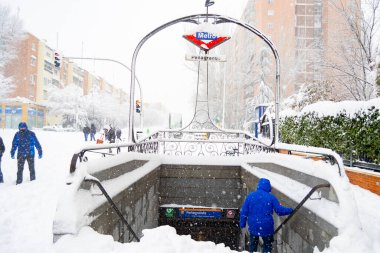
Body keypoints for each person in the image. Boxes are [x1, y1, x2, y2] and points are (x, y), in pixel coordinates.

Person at [240, 178, 293, 253]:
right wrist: (290, 210)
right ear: (268, 187)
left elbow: (244, 212)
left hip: (254, 225)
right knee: (267, 244)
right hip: (267, 226)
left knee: (253, 244)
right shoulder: (271, 197)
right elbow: (279, 211)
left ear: (259, 186)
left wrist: (242, 224)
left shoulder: (250, 196)